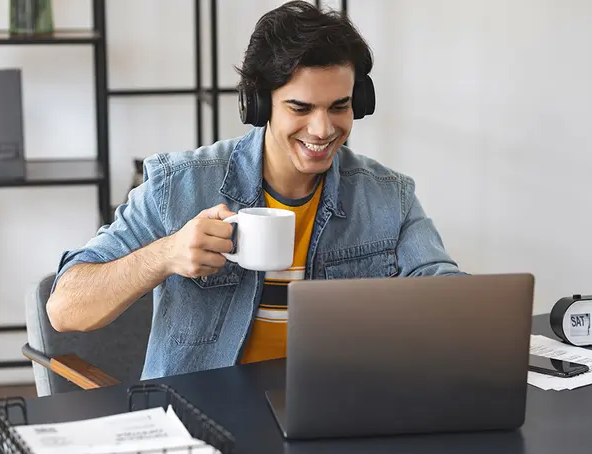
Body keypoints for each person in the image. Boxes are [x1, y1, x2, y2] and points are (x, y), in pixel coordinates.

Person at [46, 1, 464, 380]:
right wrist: (166, 254)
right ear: (259, 105)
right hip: (202, 423)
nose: (323, 129)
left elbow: (450, 295)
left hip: (339, 413)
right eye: (300, 108)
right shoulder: (179, 186)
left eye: (339, 106)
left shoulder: (389, 197)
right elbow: (64, 308)